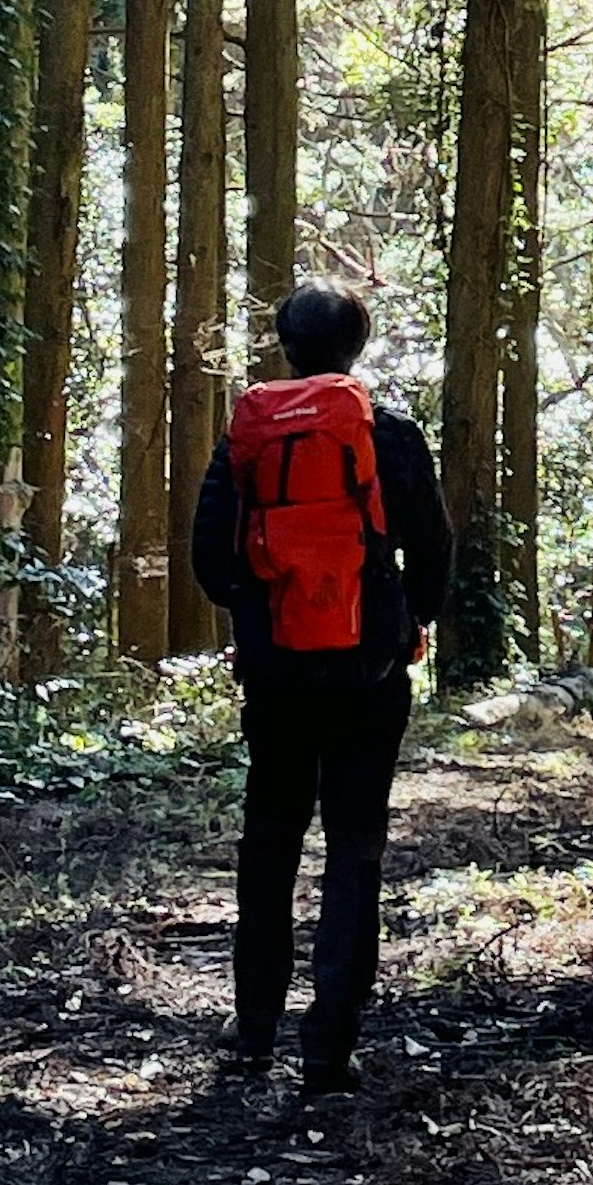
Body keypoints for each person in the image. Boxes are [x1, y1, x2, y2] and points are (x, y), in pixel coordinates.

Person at [187, 281, 453, 1114]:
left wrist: (265, 612)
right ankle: (330, 1046)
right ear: (357, 347)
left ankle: (255, 1021)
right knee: (354, 848)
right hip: (368, 676)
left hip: (274, 674)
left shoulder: (248, 437)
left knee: (269, 839)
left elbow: (207, 559)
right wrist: (403, 616)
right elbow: (435, 550)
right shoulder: (388, 435)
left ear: (285, 344)